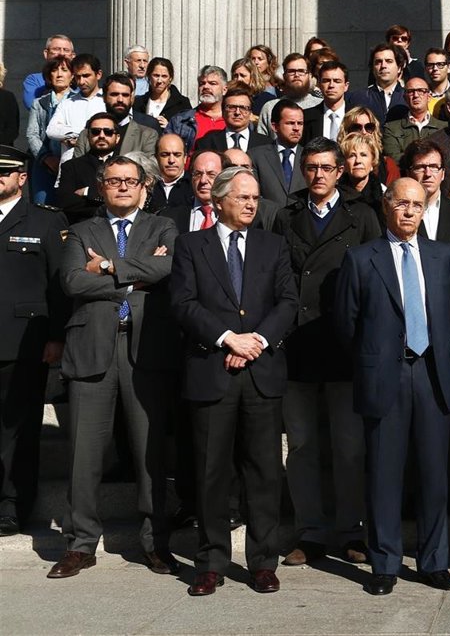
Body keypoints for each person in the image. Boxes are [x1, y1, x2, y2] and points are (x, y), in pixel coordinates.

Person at [48, 157, 181, 579]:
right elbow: (72, 281)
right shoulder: (81, 230)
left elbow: (169, 268)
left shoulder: (163, 227)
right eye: (113, 181)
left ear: (144, 187)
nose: (122, 187)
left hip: (147, 350)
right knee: (83, 454)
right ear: (101, 187)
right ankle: (81, 544)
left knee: (149, 453)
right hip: (91, 347)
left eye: (130, 181)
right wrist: (135, 279)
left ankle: (155, 543)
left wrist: (106, 267)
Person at [169, 166, 299, 596]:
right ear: (219, 199)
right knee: (211, 473)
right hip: (212, 372)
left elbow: (288, 301)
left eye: (255, 197)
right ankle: (210, 561)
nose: (251, 204)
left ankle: (263, 562)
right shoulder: (191, 245)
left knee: (263, 473)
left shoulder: (273, 244)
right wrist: (228, 339)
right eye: (242, 196)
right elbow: (184, 304)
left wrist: (256, 341)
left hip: (261, 373)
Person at [334, 177, 450, 595]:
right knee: (384, 477)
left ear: (425, 209)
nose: (409, 211)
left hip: (432, 375)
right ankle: (385, 563)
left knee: (433, 476)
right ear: (387, 206)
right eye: (401, 204)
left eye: (417, 205)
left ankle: (434, 561)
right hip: (385, 375)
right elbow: (347, 324)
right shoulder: (361, 258)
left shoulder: (443, 255)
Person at [271, 137, 381, 568]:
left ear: (340, 172)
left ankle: (353, 529)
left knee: (349, 446)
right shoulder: (287, 215)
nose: (317, 175)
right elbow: (276, 276)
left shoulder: (363, 216)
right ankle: (310, 530)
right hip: (297, 345)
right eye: (310, 167)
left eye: (326, 168)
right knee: (301, 445)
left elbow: (375, 279)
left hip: (344, 346)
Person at [0, 147, 69, 537]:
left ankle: (12, 504)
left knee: (20, 428)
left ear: (22, 179)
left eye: (5, 173)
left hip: (24, 342)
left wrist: (57, 336)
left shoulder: (45, 221)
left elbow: (59, 286)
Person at [399, 139, 450, 258]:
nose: (428, 174)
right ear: (408, 173)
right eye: (420, 167)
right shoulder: (398, 214)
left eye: (434, 167)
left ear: (443, 174)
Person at [73, 72, 160, 160]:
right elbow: (76, 169)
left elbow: (149, 171)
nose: (120, 100)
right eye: (114, 94)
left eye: (125, 95)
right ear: (104, 97)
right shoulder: (86, 135)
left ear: (131, 98)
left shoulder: (146, 136)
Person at [55, 112, 121, 224]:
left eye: (108, 132)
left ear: (117, 138)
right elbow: (66, 203)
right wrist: (111, 204)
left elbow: (131, 199)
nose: (101, 136)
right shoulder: (71, 167)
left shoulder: (128, 167)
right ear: (88, 136)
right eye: (96, 132)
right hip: (85, 228)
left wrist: (89, 192)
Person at [26, 58, 75, 202]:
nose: (59, 74)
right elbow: (32, 134)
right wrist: (47, 158)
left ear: (72, 76)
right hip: (44, 165)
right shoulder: (39, 103)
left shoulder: (78, 101)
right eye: (55, 70)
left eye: (64, 70)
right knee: (42, 208)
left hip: (71, 164)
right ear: (49, 76)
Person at [45, 54, 106, 165]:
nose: (81, 82)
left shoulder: (107, 102)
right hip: (70, 165)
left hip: (101, 165)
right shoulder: (67, 103)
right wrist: (80, 133)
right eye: (78, 77)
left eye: (86, 76)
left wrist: (79, 136)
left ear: (98, 74)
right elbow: (51, 130)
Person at [248, 101, 306, 206]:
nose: (296, 128)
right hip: (268, 219)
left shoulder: (309, 157)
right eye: (290, 123)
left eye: (300, 123)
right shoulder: (256, 156)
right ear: (275, 127)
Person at [165, 65, 228, 153]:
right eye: (202, 83)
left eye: (212, 83)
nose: (206, 87)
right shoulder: (180, 121)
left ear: (224, 90)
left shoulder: (234, 120)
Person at [256, 54, 320, 136]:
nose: (296, 75)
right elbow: (261, 143)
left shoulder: (320, 106)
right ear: (284, 76)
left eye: (301, 71)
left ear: (310, 76)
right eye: (291, 71)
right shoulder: (270, 107)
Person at [382, 76, 437, 165]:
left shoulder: (443, 127)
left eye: (421, 91)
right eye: (411, 92)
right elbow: (393, 158)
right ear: (405, 98)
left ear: (429, 97)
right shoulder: (391, 129)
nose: (416, 95)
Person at [301, 61, 353, 143]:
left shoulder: (356, 117)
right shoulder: (306, 117)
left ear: (346, 86)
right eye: (326, 81)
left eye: (337, 81)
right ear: (319, 84)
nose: (331, 85)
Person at [134, 57, 191, 129]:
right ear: (149, 76)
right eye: (156, 75)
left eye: (164, 76)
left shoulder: (182, 103)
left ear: (170, 78)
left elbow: (190, 131)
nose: (159, 81)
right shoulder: (138, 103)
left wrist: (170, 127)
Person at [358, 44, 407, 125]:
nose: (383, 66)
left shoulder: (408, 97)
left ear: (399, 68)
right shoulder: (359, 98)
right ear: (373, 69)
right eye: (378, 62)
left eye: (389, 61)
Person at [22, 34, 76, 108]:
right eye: (56, 49)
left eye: (66, 50)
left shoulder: (81, 79)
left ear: (73, 56)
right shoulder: (34, 80)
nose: (62, 53)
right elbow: (32, 106)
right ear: (46, 53)